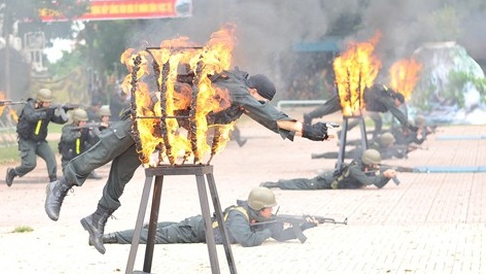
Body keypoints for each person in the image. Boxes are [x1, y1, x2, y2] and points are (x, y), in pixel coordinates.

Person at [44, 68, 331, 254]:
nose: (259, 104)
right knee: (102, 153)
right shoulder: (238, 87)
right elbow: (264, 112)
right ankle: (61, 184)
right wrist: (308, 131)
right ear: (255, 91)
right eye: (261, 100)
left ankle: (96, 219)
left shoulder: (238, 96)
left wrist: (307, 133)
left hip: (156, 126)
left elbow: (264, 117)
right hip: (145, 116)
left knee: (121, 174)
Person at [102, 186, 316, 246]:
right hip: (195, 231)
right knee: (153, 238)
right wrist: (270, 229)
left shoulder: (259, 218)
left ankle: (151, 226)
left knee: (159, 229)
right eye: (269, 209)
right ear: (258, 208)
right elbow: (248, 241)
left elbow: (279, 236)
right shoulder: (239, 216)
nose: (271, 212)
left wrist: (303, 226)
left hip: (199, 226)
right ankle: (110, 237)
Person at [5, 88, 70, 187]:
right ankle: (13, 172)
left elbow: (59, 120)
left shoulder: (48, 110)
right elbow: (31, 117)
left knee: (51, 159)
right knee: (30, 164)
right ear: (40, 101)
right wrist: (45, 113)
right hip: (27, 140)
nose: (48, 104)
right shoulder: (29, 106)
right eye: (46, 102)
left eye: (49, 102)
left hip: (40, 141)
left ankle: (53, 183)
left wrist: (64, 111)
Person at [303, 83, 412, 141]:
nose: (398, 105)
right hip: (354, 98)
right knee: (330, 107)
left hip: (355, 98)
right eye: (399, 103)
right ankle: (310, 115)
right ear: (397, 99)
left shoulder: (385, 94)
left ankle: (310, 115)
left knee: (329, 107)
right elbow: (397, 113)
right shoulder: (388, 98)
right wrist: (407, 125)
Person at [261, 149, 398, 190]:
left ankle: (277, 184)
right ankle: (277, 184)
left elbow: (377, 184)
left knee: (304, 184)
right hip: (327, 180)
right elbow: (368, 181)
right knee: (304, 184)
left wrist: (386, 177)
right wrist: (383, 174)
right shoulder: (356, 168)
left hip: (335, 182)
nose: (376, 167)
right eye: (375, 164)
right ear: (369, 162)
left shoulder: (366, 167)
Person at [311, 132, 410, 160]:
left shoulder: (378, 143)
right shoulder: (377, 146)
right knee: (338, 155)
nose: (392, 145)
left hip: (359, 151)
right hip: (357, 153)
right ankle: (318, 156)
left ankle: (318, 156)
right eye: (390, 143)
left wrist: (406, 150)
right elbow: (384, 155)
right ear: (386, 143)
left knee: (339, 155)